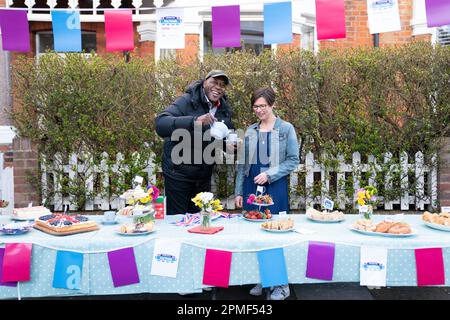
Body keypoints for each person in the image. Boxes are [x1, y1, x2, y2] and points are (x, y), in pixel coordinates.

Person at [234, 87, 300, 300]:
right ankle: (263, 278)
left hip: (275, 186)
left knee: (275, 233)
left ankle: (281, 285)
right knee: (255, 234)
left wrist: (270, 175)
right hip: (252, 186)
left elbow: (292, 160)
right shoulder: (251, 130)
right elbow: (242, 163)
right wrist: (239, 191)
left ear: (272, 105)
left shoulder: (286, 129)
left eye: (263, 105)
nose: (259, 110)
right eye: (256, 106)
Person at [155, 70, 234, 215]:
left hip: (203, 176)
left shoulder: (223, 108)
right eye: (214, 82)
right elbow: (161, 124)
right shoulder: (188, 100)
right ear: (204, 82)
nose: (218, 87)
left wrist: (229, 146)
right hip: (178, 173)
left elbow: (221, 135)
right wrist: (194, 121)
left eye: (222, 85)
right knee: (177, 222)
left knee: (201, 221)